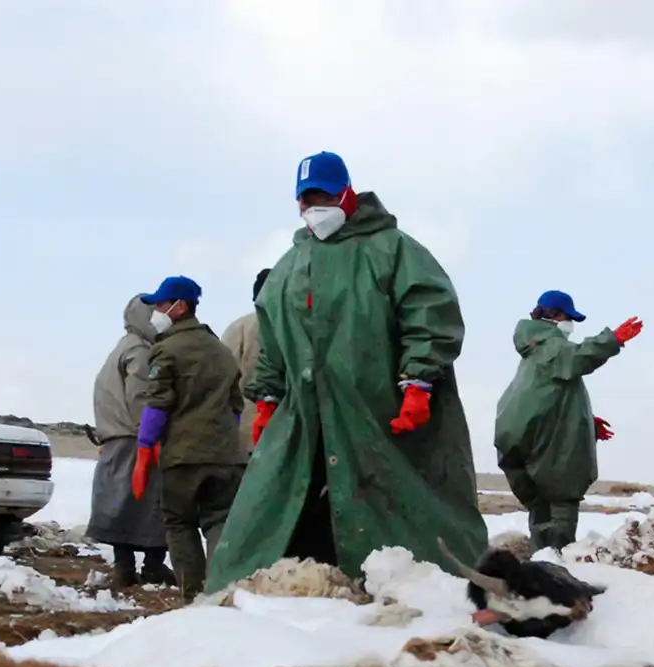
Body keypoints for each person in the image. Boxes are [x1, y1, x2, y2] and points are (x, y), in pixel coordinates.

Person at [204, 151, 487, 594]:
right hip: (306, 420)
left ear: (347, 192)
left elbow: (429, 314)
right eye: (305, 199)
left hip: (382, 413)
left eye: (322, 195)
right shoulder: (289, 267)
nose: (312, 207)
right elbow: (274, 342)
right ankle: (261, 602)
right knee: (275, 508)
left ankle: (430, 595)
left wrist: (418, 382)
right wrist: (267, 400)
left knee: (404, 507)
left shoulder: (394, 251)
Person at [493, 291, 643, 551]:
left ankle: (541, 565)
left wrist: (583, 420)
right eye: (568, 317)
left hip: (521, 440)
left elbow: (545, 396)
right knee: (561, 505)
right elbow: (577, 358)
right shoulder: (549, 345)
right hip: (547, 447)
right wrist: (613, 339)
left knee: (540, 510)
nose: (570, 325)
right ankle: (556, 567)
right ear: (555, 316)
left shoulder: (534, 352)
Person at [131, 276, 248, 602]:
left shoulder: (167, 350)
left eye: (160, 304)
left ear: (179, 306)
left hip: (184, 457)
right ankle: (224, 590)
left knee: (180, 523)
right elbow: (236, 407)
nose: (156, 311)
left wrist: (144, 450)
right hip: (226, 456)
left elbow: (158, 404)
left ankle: (193, 596)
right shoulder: (222, 351)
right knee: (219, 520)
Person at [86, 296, 173, 588]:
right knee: (151, 506)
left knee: (120, 507)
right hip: (135, 441)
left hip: (114, 440)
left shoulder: (121, 348)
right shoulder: (141, 351)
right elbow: (140, 398)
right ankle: (153, 567)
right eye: (158, 310)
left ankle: (124, 568)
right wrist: (151, 435)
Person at [220, 268, 269, 456]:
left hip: (245, 427)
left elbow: (222, 377)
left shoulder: (238, 327)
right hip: (284, 426)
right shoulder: (292, 325)